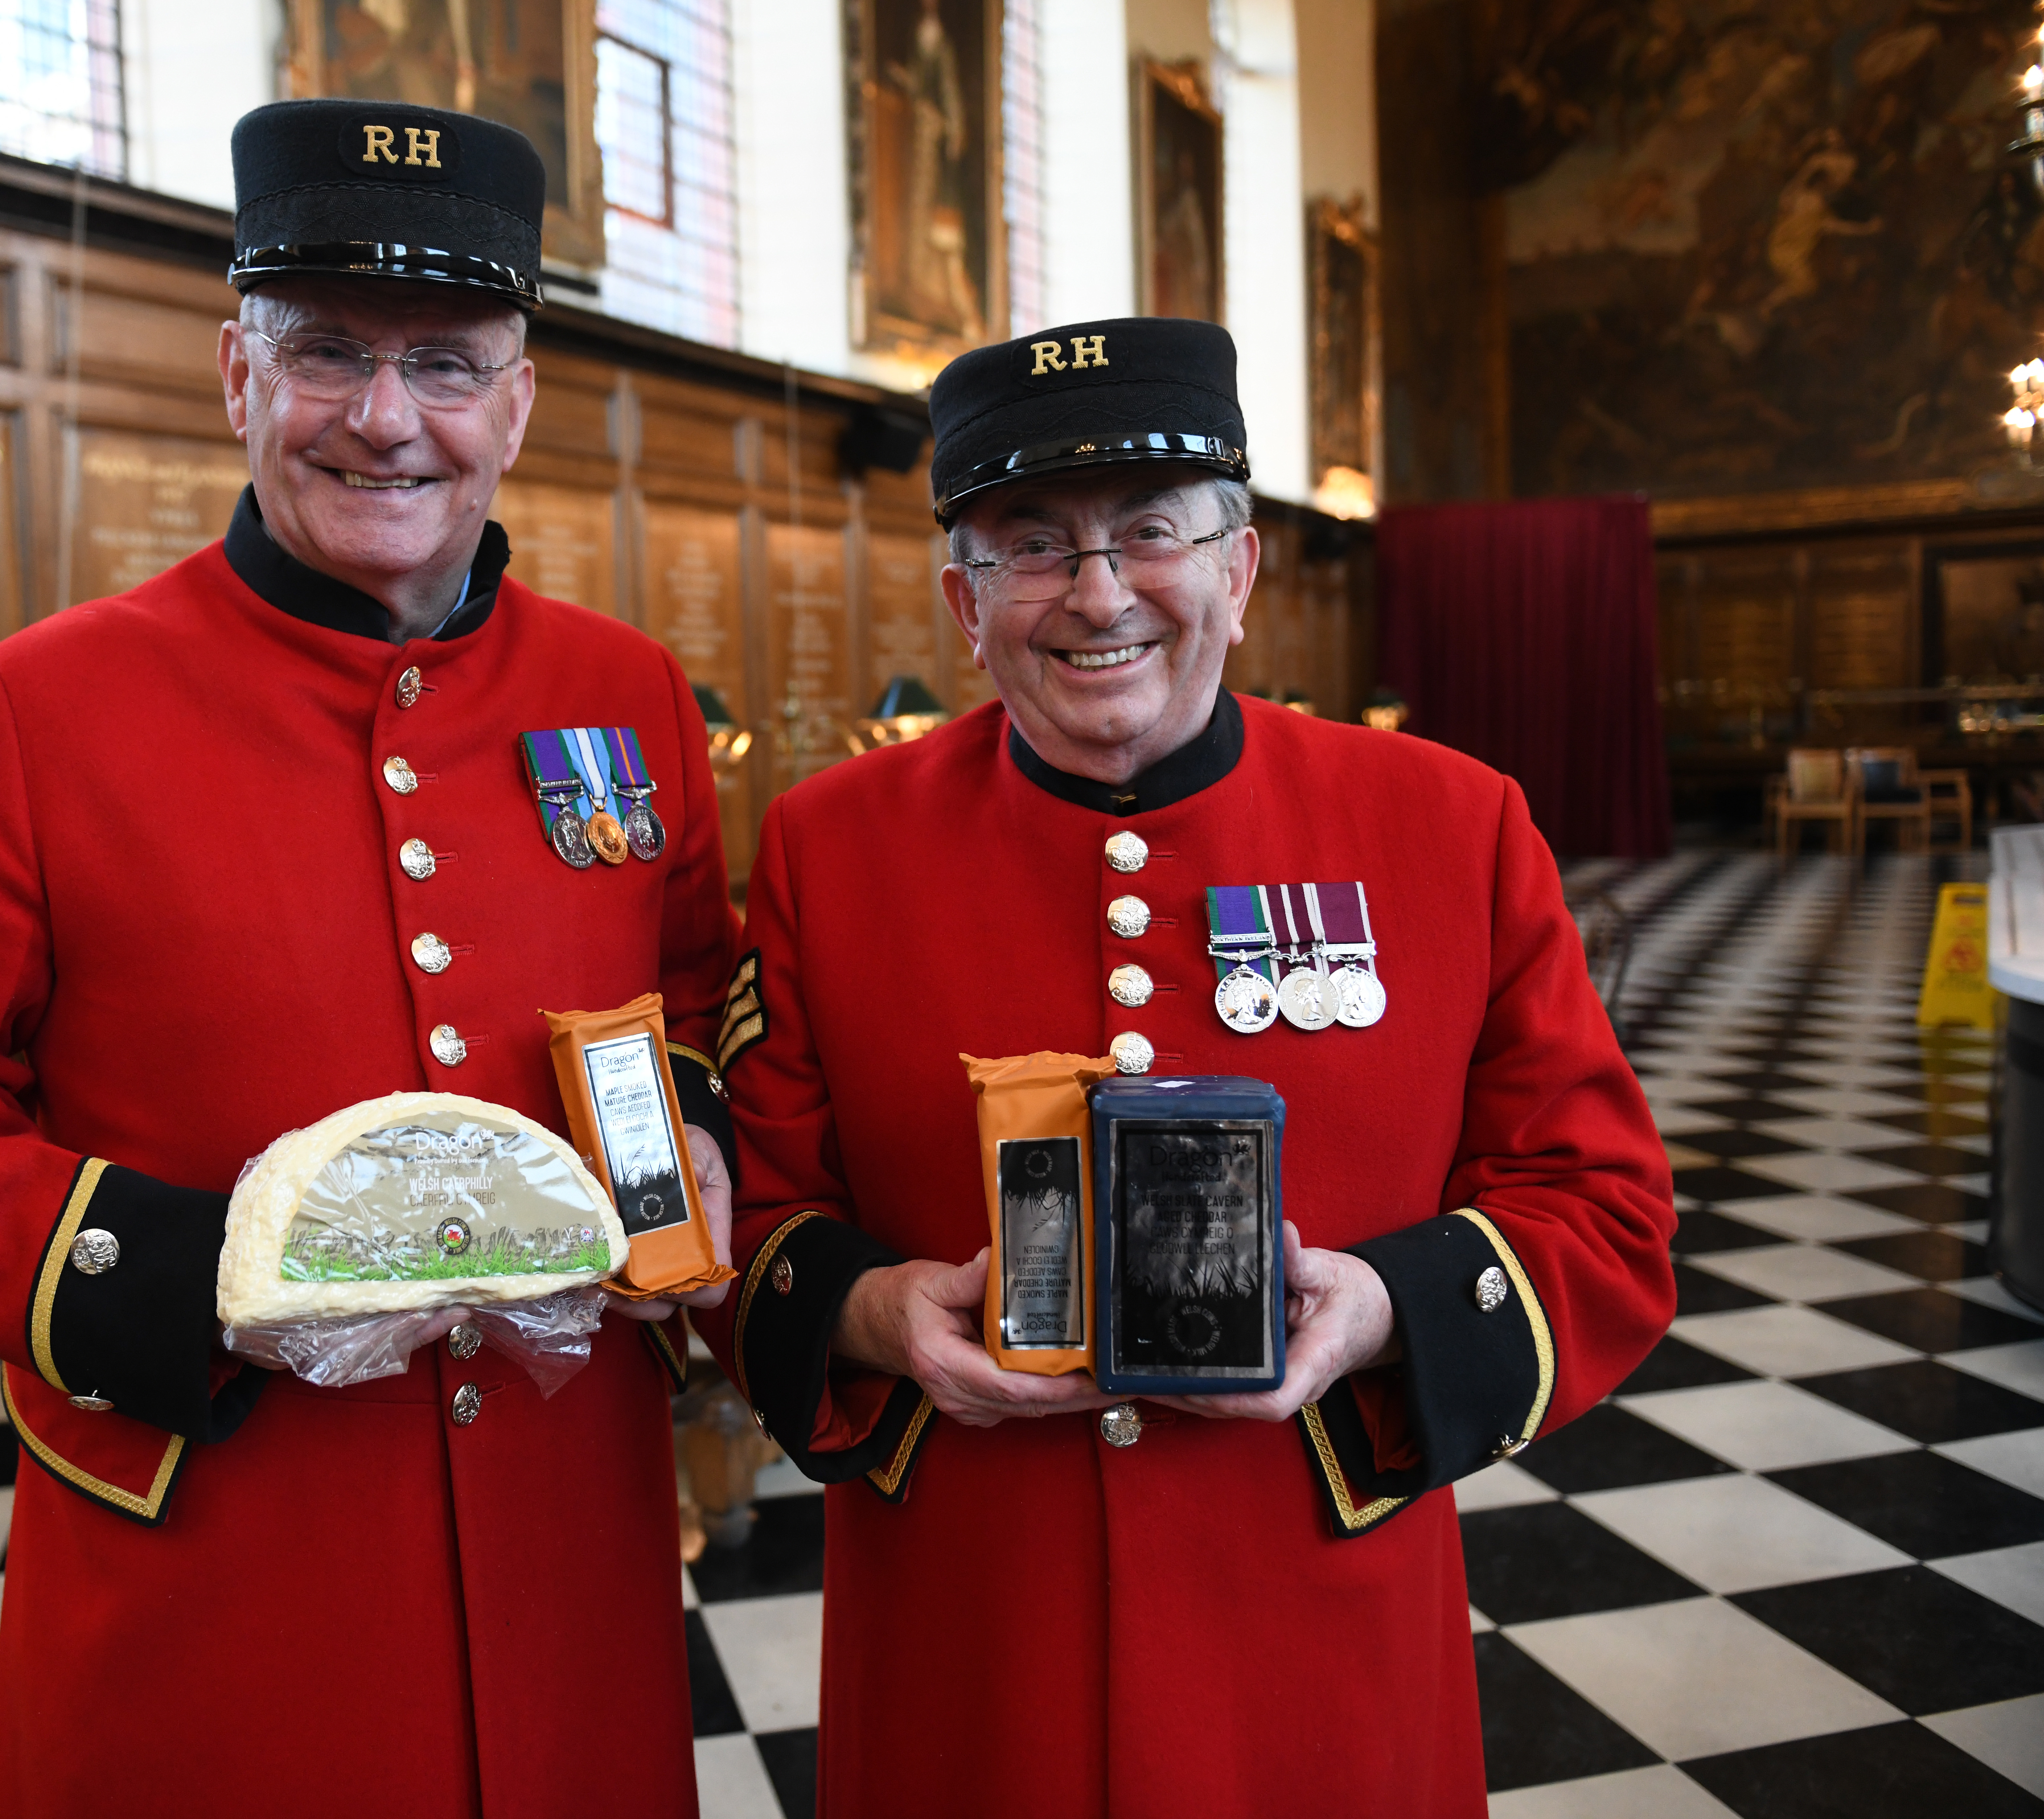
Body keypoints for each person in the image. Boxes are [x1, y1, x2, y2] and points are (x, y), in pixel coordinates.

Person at [0, 99, 739, 1816]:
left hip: (560, 1563)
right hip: (217, 1580)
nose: (386, 419)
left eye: (446, 361)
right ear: (237, 375)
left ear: (515, 404)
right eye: (326, 356)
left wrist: (699, 1153)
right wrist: (181, 1272)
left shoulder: (629, 698)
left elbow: (681, 1027)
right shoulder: (48, 709)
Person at [692, 317, 1676, 1814]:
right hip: (971, 1642)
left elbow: (1602, 1209)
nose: (1098, 593)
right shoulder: (833, 847)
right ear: (965, 601)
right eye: (1031, 544)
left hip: (1312, 1642)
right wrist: (881, 1314)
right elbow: (742, 1217)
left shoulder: (1448, 825)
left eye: (1151, 531)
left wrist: (1377, 1312)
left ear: (1239, 566)